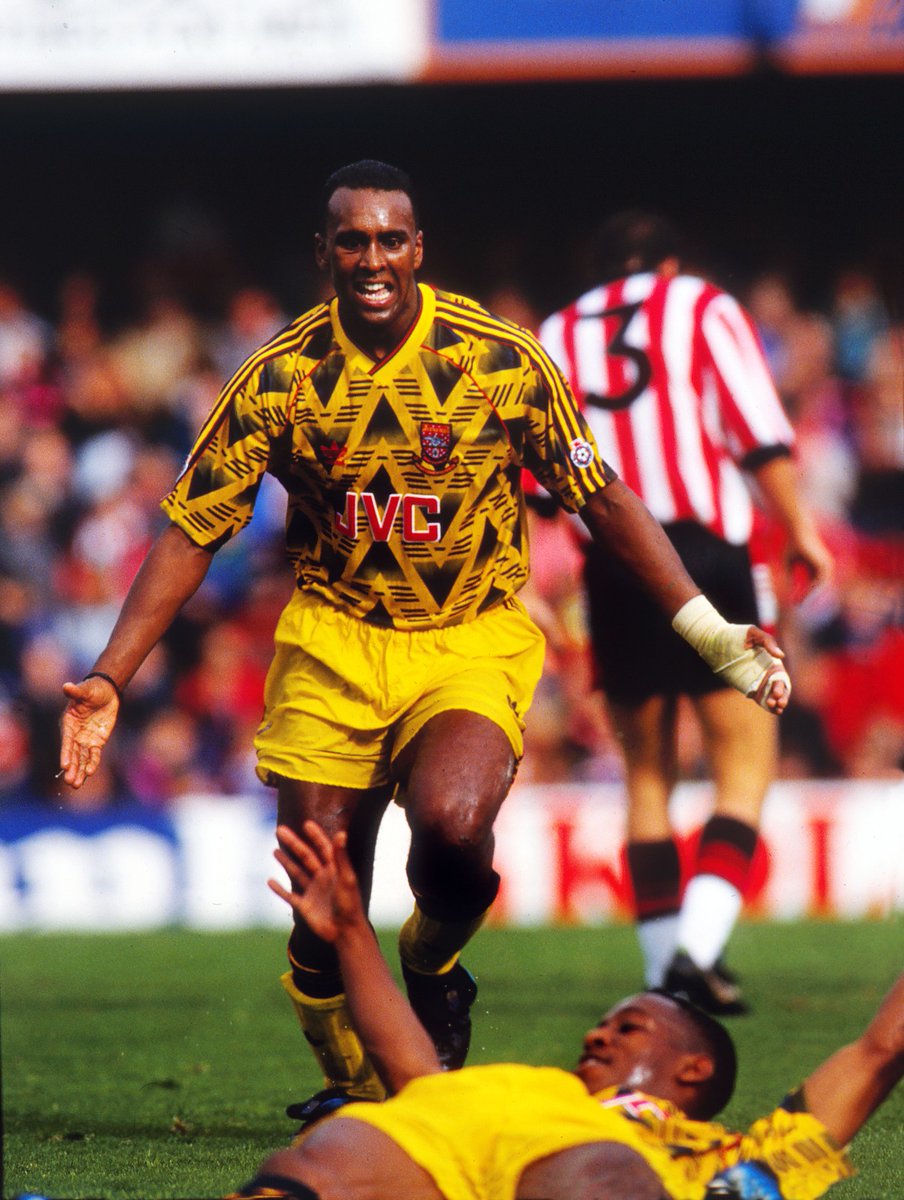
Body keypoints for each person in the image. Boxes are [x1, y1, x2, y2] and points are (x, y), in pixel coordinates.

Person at [59, 163, 790, 1116]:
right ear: (324, 252)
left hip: (467, 638)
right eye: (352, 241)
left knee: (451, 830)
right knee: (324, 903)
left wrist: (710, 632)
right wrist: (112, 675)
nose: (372, 258)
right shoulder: (278, 376)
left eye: (390, 239)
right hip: (333, 643)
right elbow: (195, 527)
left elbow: (600, 496)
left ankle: (433, 965)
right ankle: (352, 1083)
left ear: (418, 249)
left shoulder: (499, 360)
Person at [227, 821, 904, 1200]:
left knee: (602, 1175)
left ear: (693, 1069)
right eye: (606, 1023)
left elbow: (879, 1051)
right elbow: (414, 1071)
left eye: (628, 1027)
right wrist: (350, 932)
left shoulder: (732, 1155)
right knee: (319, 1161)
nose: (596, 1033)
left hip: (596, 1169)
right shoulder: (534, 1089)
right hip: (453, 1142)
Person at [538, 211, 833, 1015]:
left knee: (646, 777)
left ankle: (665, 968)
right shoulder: (698, 305)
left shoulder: (557, 332)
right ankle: (695, 955)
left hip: (615, 563)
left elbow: (537, 480)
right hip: (705, 553)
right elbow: (756, 432)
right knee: (745, 763)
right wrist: (801, 527)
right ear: (666, 264)